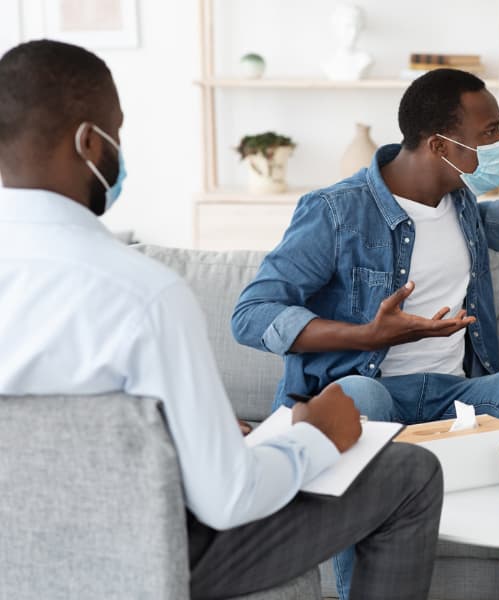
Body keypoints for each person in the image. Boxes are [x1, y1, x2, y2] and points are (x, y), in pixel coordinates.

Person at [0, 40, 442, 600]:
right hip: (141, 559)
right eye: (117, 132)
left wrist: (181, 437)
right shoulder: (142, 294)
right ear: (91, 141)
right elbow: (227, 498)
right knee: (409, 475)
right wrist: (313, 437)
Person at [231, 68, 499, 600]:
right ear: (437, 143)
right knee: (360, 394)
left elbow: (489, 222)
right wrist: (365, 336)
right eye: (488, 131)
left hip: (452, 397)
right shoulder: (335, 211)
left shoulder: (458, 199)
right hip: (372, 391)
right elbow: (251, 312)